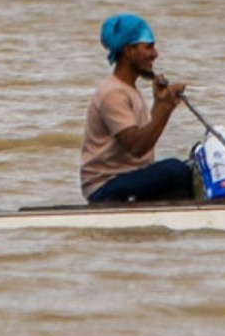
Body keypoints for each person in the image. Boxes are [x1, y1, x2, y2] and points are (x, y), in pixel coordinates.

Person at [80, 13, 195, 204]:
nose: (155, 54)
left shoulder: (128, 89)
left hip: (128, 178)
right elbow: (137, 147)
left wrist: (161, 104)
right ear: (129, 51)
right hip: (105, 187)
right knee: (176, 170)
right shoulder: (113, 93)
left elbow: (143, 140)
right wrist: (165, 107)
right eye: (149, 47)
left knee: (192, 167)